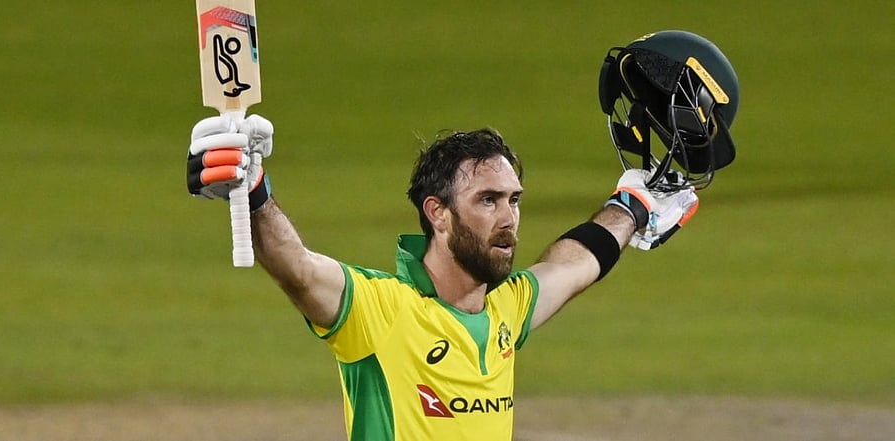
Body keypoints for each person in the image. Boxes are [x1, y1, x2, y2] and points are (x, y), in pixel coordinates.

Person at [186, 29, 736, 441]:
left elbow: (575, 262)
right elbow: (297, 267)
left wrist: (633, 205)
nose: (509, 217)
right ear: (439, 214)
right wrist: (254, 190)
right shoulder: (380, 310)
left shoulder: (507, 312)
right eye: (488, 200)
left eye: (514, 200)